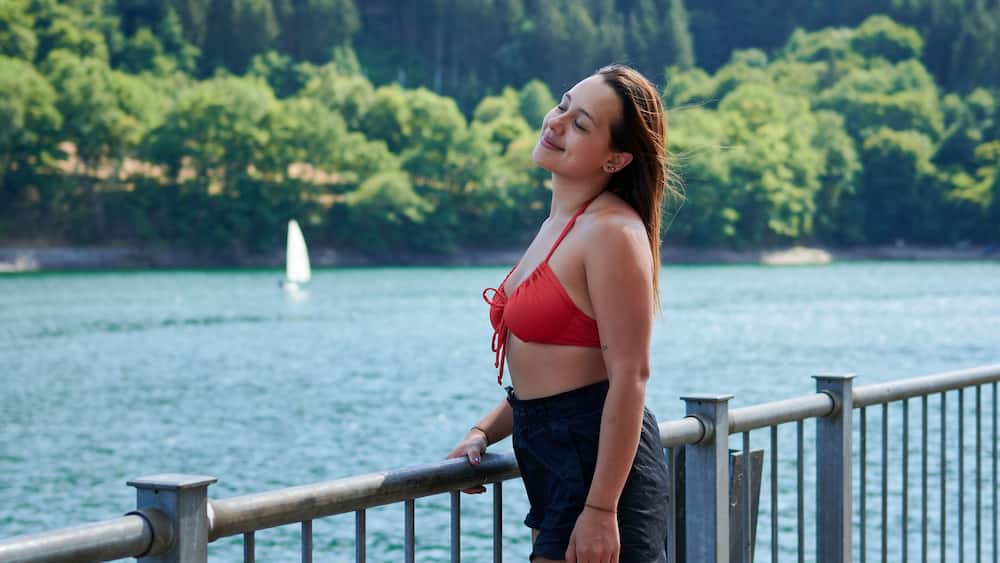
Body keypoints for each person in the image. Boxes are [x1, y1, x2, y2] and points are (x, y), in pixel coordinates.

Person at [447, 64, 678, 563]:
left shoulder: (612, 231)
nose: (556, 122)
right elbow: (553, 380)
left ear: (616, 158)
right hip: (555, 466)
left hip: (600, 477)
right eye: (562, 105)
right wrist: (483, 432)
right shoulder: (559, 225)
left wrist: (601, 507)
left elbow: (629, 378)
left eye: (581, 124)